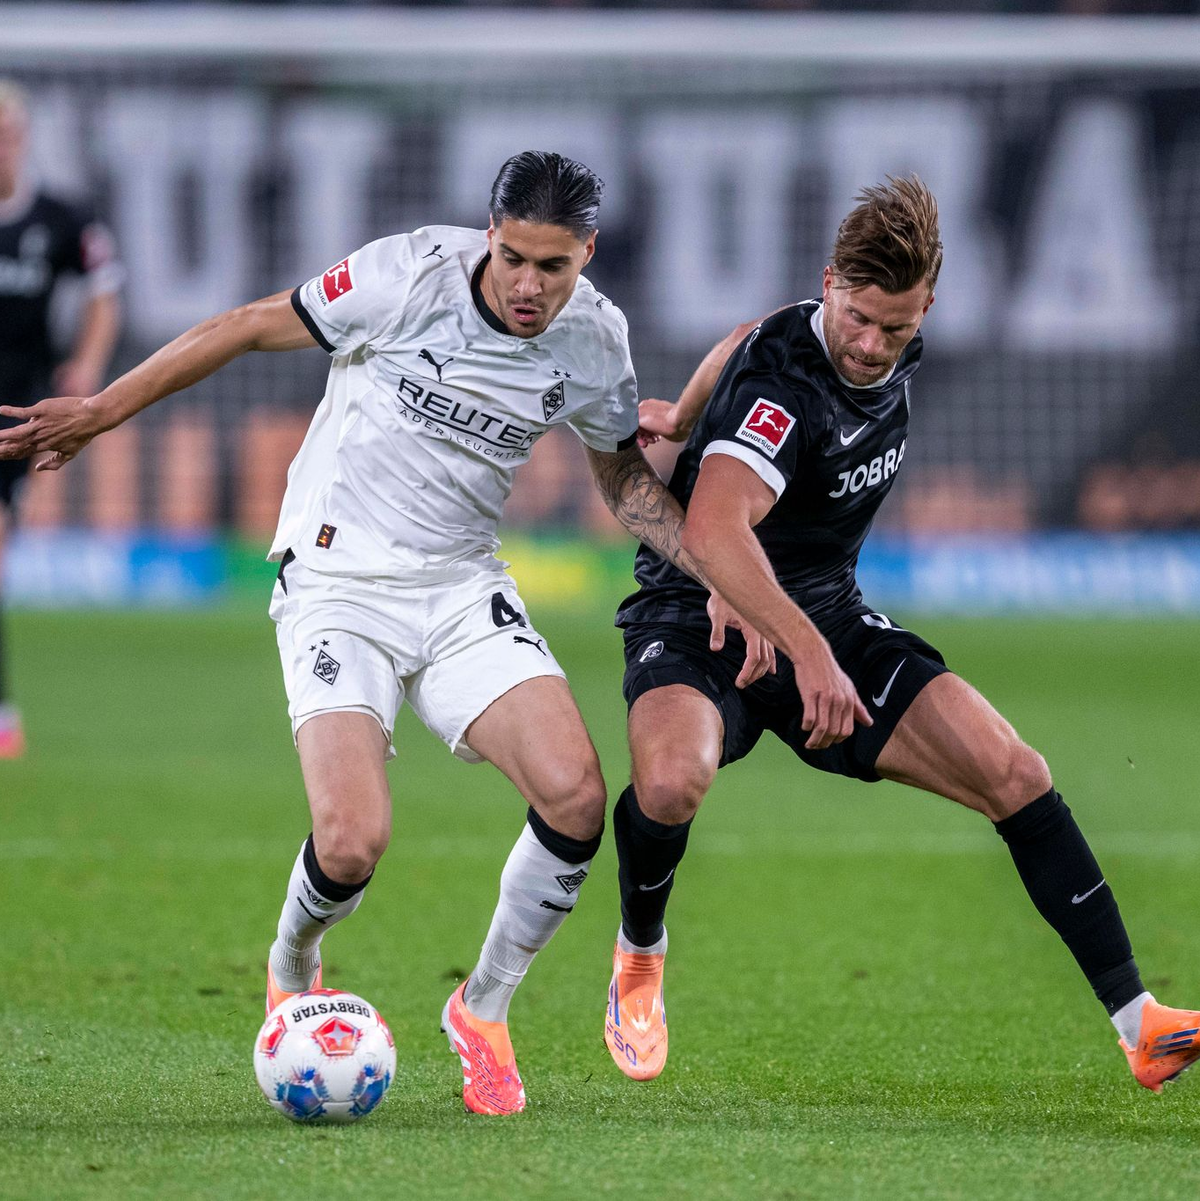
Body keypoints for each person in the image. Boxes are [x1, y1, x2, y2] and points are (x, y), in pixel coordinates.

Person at [0, 150, 769, 1116]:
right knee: (355, 841)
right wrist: (100, 412)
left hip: (459, 583)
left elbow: (622, 481)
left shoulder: (594, 340)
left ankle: (481, 1011)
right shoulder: (406, 274)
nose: (531, 286)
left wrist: (723, 580)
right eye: (516, 258)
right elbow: (245, 326)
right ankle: (292, 962)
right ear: (490, 233)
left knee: (576, 797)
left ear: (588, 254)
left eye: (555, 267)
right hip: (334, 574)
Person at [603, 176, 1200, 1094]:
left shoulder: (854, 330)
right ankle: (640, 954)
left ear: (927, 305)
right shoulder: (782, 390)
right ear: (832, 280)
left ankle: (1140, 1023)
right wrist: (804, 652)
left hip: (826, 609)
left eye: (899, 327)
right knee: (675, 777)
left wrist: (680, 416)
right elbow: (720, 531)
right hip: (700, 608)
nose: (875, 346)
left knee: (1014, 769)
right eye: (862, 320)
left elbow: (739, 335)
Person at [0, 79, 122, 757]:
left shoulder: (61, 217)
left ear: (20, 138)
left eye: (5, 136)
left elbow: (106, 291)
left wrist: (87, 365)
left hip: (16, 415)